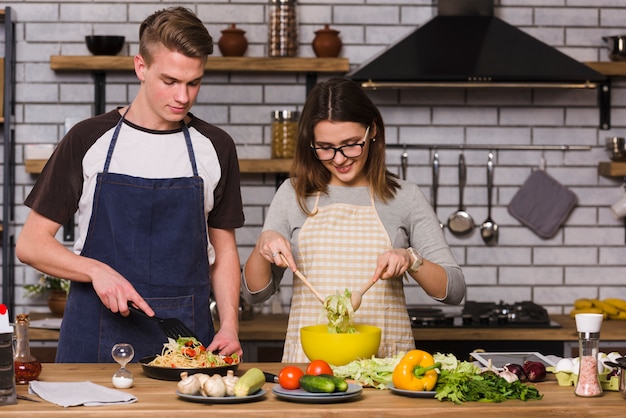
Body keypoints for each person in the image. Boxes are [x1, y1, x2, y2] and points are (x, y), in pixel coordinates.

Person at [16, 7, 244, 362]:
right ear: (141, 67)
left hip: (185, 339)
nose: (183, 97)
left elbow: (225, 250)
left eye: (194, 82)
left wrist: (230, 324)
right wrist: (96, 270)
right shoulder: (89, 138)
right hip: (95, 333)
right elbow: (30, 244)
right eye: (169, 81)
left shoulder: (215, 146)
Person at [242, 77, 466, 362]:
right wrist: (263, 245)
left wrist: (412, 260)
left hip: (386, 367)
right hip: (312, 368)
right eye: (324, 147)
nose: (339, 159)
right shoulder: (292, 194)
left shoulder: (405, 198)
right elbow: (254, 294)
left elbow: (454, 291)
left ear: (371, 131)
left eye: (350, 144)